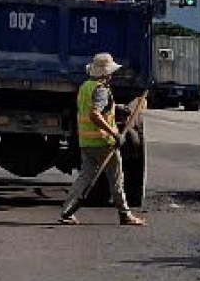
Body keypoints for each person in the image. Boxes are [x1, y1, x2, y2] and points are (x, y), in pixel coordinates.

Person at [60, 52, 146, 226]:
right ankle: (125, 214)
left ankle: (67, 211)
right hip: (103, 143)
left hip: (87, 142)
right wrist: (114, 134)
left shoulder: (85, 86)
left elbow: (98, 107)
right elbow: (95, 114)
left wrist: (119, 108)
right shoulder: (101, 89)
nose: (112, 75)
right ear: (106, 74)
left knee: (84, 178)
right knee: (116, 180)